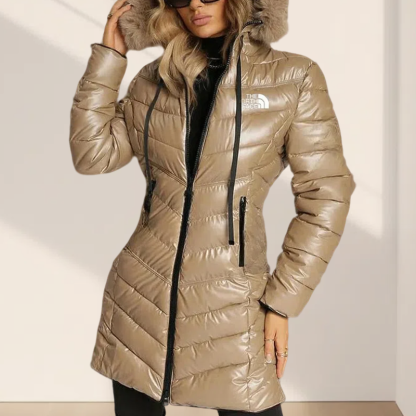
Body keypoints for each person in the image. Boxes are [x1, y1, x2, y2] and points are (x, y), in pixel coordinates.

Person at [68, 0, 356, 415]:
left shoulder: (294, 78)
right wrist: (110, 59)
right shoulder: (153, 81)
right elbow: (92, 156)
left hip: (234, 301)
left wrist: (282, 301)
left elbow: (326, 195)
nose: (196, 4)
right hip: (141, 298)